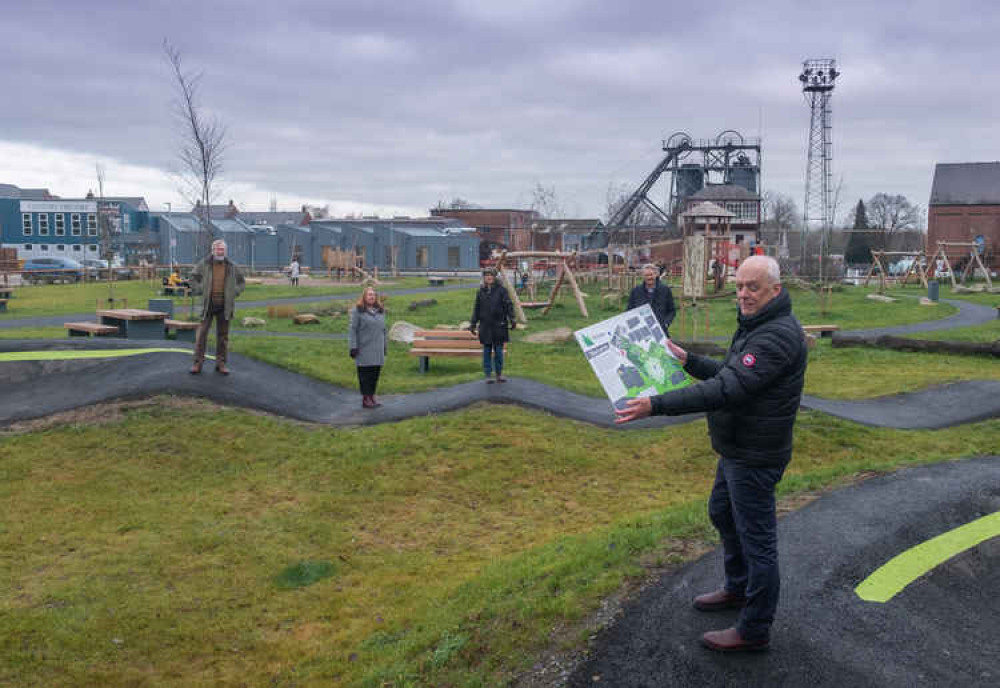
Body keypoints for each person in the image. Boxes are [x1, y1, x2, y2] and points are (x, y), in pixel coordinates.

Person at [615, 256, 808, 653]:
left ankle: (754, 629)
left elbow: (728, 389)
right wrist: (690, 360)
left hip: (755, 454)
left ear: (775, 289)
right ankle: (737, 589)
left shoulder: (776, 336)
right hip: (737, 447)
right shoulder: (756, 326)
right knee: (722, 513)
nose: (742, 294)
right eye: (738, 286)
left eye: (752, 287)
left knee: (759, 543)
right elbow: (729, 374)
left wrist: (658, 404)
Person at [189, 239, 246, 375]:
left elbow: (241, 282)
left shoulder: (231, 266)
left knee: (223, 337)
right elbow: (192, 278)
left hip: (224, 306)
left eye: (223, 250)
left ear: (225, 251)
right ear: (213, 250)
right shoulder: (205, 264)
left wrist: (234, 292)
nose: (220, 252)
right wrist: (200, 289)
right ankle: (198, 363)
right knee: (201, 335)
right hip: (208, 305)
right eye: (218, 249)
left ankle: (221, 364)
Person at [470, 267, 515, 383]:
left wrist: (512, 319)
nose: (489, 277)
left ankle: (499, 374)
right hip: (485, 326)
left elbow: (508, 305)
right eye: (486, 275)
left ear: (495, 277)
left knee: (499, 352)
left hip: (499, 325)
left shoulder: (502, 290)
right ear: (484, 278)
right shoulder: (480, 291)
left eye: (491, 275)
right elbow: (476, 309)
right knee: (486, 352)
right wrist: (473, 324)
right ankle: (488, 375)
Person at [349, 286, 387, 408]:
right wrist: (353, 346)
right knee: (365, 375)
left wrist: (384, 347)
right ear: (364, 297)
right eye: (369, 295)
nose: (372, 297)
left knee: (375, 374)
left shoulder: (380, 311)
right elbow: (353, 330)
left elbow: (383, 330)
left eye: (374, 295)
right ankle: (366, 399)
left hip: (377, 349)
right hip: (364, 349)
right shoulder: (358, 310)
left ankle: (372, 397)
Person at [627, 263, 676, 336]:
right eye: (647, 275)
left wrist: (665, 324)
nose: (649, 277)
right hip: (641, 331)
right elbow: (629, 311)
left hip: (660, 331)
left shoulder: (665, 290)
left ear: (656, 275)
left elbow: (672, 310)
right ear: (643, 276)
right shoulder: (636, 291)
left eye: (651, 274)